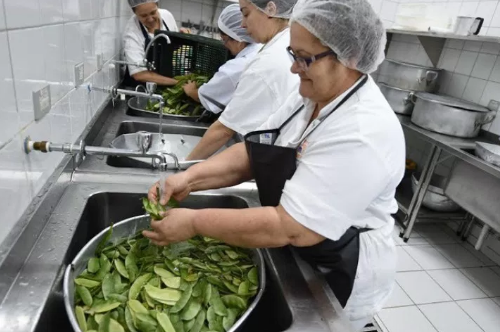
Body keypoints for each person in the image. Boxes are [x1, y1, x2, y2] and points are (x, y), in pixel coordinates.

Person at [144, 0, 405, 330]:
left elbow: (291, 227)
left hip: (342, 266)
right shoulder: (310, 94)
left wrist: (194, 222)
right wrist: (189, 179)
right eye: (292, 54)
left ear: (350, 59)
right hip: (306, 246)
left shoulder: (362, 133)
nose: (294, 68)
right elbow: (256, 151)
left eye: (304, 58)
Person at [184, 0, 300, 161]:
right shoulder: (289, 41)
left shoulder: (266, 63)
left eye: (246, 14)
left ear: (271, 9)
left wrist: (183, 167)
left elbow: (223, 130)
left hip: (275, 158)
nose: (242, 24)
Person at [182, 4, 261, 115]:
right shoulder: (259, 49)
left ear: (239, 40)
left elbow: (207, 98)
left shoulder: (235, 68)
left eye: (225, 40)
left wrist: (191, 91)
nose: (225, 45)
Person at [123, 0, 180, 87]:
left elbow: (175, 47)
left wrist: (183, 36)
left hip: (166, 82)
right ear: (135, 13)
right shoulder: (132, 32)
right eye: (143, 16)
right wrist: (176, 82)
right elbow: (139, 74)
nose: (150, 19)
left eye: (153, 12)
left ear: (157, 5)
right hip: (141, 89)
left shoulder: (167, 16)